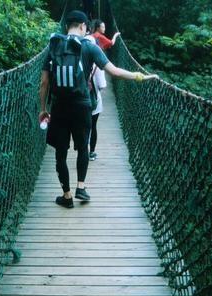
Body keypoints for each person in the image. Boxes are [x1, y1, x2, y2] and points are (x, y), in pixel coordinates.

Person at [38, 10, 157, 209]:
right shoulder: (89, 47)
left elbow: (44, 82)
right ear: (84, 27)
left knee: (60, 152)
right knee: (83, 146)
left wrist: (43, 109)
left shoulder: (55, 45)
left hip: (59, 106)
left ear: (67, 26)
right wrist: (139, 76)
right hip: (82, 105)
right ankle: (81, 187)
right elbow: (114, 72)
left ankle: (66, 196)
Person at [85, 34, 107, 160]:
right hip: (94, 101)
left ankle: (82, 150)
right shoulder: (98, 64)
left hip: (77, 100)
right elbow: (102, 85)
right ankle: (91, 152)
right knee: (93, 126)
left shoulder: (75, 60)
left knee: (82, 127)